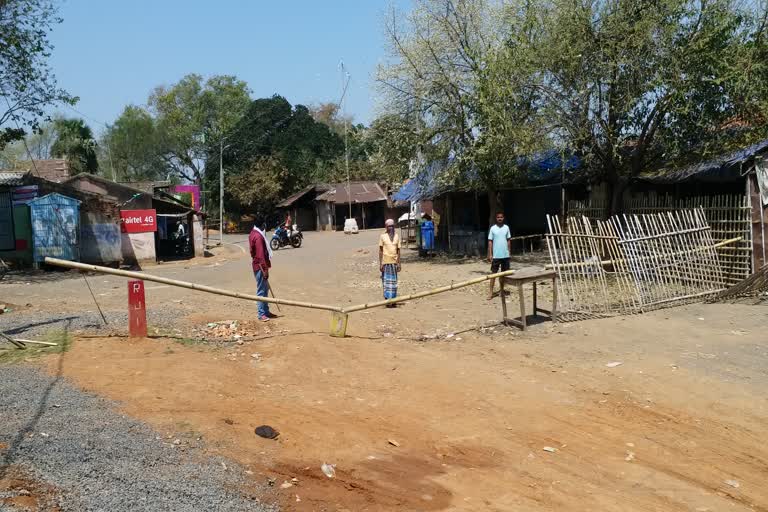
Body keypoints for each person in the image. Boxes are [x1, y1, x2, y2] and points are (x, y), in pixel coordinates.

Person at [249, 215, 275, 321]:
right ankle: (261, 314)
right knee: (261, 290)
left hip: (257, 265)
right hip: (260, 266)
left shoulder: (253, 233)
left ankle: (266, 311)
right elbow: (260, 255)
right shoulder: (258, 237)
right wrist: (265, 270)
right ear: (262, 224)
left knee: (265, 289)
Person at [487, 211, 512, 300]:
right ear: (496, 218)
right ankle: (490, 292)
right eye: (498, 217)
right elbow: (490, 241)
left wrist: (509, 252)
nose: (500, 218)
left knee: (503, 275)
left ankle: (501, 290)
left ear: (503, 218)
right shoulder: (493, 228)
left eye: (501, 217)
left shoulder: (506, 228)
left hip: (505, 255)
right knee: (493, 274)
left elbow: (508, 240)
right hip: (496, 256)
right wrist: (490, 254)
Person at [379, 219, 401, 307]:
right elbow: (380, 251)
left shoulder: (396, 236)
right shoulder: (382, 236)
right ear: (386, 227)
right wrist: (381, 263)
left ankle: (394, 300)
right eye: (389, 226)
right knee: (386, 282)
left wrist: (399, 263)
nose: (391, 228)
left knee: (394, 282)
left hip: (394, 263)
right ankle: (387, 300)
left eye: (392, 226)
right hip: (386, 263)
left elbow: (398, 250)